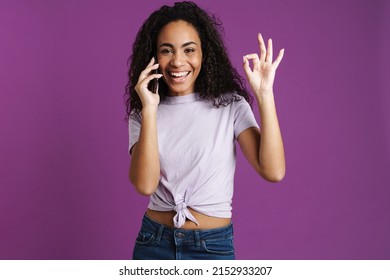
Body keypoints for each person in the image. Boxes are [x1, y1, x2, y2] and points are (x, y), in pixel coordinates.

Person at [124, 1, 285, 260]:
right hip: (154, 242)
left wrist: (265, 95)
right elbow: (145, 185)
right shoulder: (143, 112)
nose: (178, 61)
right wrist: (150, 110)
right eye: (167, 50)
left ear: (203, 54)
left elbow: (274, 171)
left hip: (212, 246)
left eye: (189, 50)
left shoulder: (230, 105)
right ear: (154, 56)